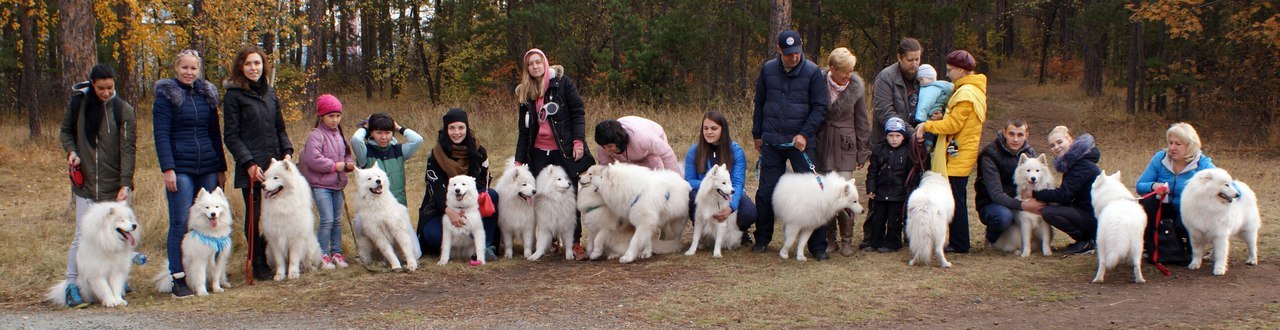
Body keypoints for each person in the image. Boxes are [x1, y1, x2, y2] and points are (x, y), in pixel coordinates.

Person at [58, 64, 137, 308]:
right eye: (101, 88)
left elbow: (128, 149)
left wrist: (125, 183)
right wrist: (71, 151)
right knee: (83, 236)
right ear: (92, 84)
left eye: (110, 87)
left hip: (115, 187)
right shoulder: (79, 105)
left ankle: (116, 282)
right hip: (87, 185)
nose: (105, 92)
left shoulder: (123, 109)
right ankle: (72, 285)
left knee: (121, 236)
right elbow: (65, 132)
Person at [751, 30, 832, 259]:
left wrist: (805, 134)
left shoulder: (813, 72)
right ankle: (763, 238)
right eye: (788, 54)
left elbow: (820, 108)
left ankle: (818, 246)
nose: (793, 57)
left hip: (801, 145)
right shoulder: (767, 70)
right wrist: (757, 134)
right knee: (766, 192)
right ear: (779, 50)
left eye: (796, 53)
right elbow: (760, 104)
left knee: (813, 194)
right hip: (773, 142)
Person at [152, 49, 226, 298]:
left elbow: (215, 134)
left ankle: (209, 277)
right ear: (176, 68)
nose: (189, 72)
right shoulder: (165, 96)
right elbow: (161, 135)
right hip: (180, 168)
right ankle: (178, 278)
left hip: (207, 166)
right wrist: (168, 168)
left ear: (199, 70)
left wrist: (221, 168)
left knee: (209, 225)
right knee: (181, 222)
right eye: (184, 67)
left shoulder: (207, 94)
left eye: (193, 68)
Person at [514, 48, 595, 258]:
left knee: (570, 193)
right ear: (527, 68)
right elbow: (524, 131)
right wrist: (518, 161)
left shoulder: (562, 84)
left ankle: (574, 242)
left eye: (538, 62)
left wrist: (578, 142)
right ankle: (549, 241)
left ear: (545, 63)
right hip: (538, 152)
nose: (534, 66)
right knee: (541, 196)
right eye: (530, 64)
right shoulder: (525, 93)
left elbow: (578, 112)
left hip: (565, 148)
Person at [223, 46, 293, 281]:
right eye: (248, 64)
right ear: (240, 68)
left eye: (257, 63)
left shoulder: (270, 93)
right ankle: (257, 262)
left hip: (275, 165)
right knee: (254, 217)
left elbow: (279, 127)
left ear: (263, 66)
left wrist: (287, 152)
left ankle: (273, 254)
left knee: (278, 214)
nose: (254, 68)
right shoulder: (233, 95)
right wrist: (248, 163)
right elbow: (231, 136)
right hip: (252, 167)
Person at [914, 50, 987, 253]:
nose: (948, 74)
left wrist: (927, 125)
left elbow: (953, 125)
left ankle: (959, 243)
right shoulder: (970, 90)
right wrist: (941, 118)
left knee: (955, 200)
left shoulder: (965, 94)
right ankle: (957, 241)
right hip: (960, 151)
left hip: (957, 155)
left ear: (961, 70)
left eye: (950, 70)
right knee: (956, 197)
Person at [418, 108, 499, 261]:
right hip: (442, 207)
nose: (457, 132)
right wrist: (451, 212)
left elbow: (484, 181)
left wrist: (469, 207)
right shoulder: (436, 155)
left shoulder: (479, 151)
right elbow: (435, 190)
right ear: (446, 129)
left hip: (471, 204)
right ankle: (464, 237)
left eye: (461, 127)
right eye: (452, 128)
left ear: (467, 128)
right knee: (433, 237)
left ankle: (486, 246)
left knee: (492, 195)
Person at [813, 47, 871, 256]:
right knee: (826, 195)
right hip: (822, 144)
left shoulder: (856, 88)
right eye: (845, 71)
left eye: (851, 70)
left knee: (846, 193)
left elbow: (862, 121)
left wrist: (863, 151)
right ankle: (830, 239)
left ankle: (847, 239)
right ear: (833, 69)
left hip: (846, 147)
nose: (849, 75)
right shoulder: (817, 82)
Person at [1135, 122, 1213, 262]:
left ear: (1190, 145)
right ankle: (1149, 246)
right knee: (1147, 203)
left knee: (1184, 222)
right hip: (1163, 207)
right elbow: (1140, 185)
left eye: (1178, 144)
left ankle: (1193, 249)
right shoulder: (1160, 158)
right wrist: (1154, 186)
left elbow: (1224, 184)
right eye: (1170, 143)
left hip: (1189, 211)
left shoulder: (1203, 164)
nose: (1172, 148)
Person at [1022, 126, 1101, 255]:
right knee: (1052, 207)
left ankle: (1086, 241)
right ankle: (1086, 240)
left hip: (1093, 217)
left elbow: (1063, 195)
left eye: (1059, 142)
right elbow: (1067, 194)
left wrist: (1034, 194)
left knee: (1049, 212)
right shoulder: (1074, 162)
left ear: (1069, 139)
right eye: (1052, 145)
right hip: (1085, 211)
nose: (1056, 147)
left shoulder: (1082, 164)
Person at [684, 111, 759, 247]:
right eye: (705, 128)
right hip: (704, 193)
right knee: (690, 197)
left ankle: (739, 231)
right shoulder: (694, 151)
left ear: (723, 130)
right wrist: (710, 185)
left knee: (749, 212)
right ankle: (702, 232)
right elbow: (688, 180)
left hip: (728, 193)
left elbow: (738, 183)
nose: (709, 132)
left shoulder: (735, 151)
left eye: (714, 128)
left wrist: (731, 208)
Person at [300, 94, 355, 270]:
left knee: (337, 220)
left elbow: (346, 152)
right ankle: (322, 253)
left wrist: (348, 164)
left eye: (338, 116)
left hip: (337, 184)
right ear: (321, 116)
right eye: (331, 116)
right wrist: (335, 166)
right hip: (321, 185)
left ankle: (336, 252)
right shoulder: (316, 135)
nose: (335, 120)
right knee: (327, 219)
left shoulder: (339, 133)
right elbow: (313, 159)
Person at [974, 119, 1035, 247]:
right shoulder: (990, 154)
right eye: (1011, 134)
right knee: (1003, 217)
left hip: (1019, 199)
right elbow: (996, 194)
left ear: (1026, 135)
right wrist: (1023, 205)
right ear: (1004, 133)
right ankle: (991, 239)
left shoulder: (1029, 153)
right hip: (991, 203)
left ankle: (1038, 242)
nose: (1015, 139)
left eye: (1020, 135)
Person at [351, 112, 424, 206]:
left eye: (388, 132)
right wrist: (365, 127)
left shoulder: (399, 151)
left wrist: (399, 128)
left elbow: (417, 140)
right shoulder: (364, 153)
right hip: (373, 207)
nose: (384, 137)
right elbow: (355, 139)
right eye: (379, 133)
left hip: (398, 205)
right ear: (371, 133)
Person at [864, 117, 913, 253]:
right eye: (891, 135)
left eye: (898, 135)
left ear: (903, 137)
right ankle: (875, 242)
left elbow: (910, 175)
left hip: (898, 194)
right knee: (877, 219)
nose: (894, 139)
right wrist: (871, 188)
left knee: (895, 220)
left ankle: (892, 243)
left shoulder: (907, 152)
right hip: (880, 192)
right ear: (886, 136)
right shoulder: (879, 150)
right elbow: (872, 172)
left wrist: (908, 192)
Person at [872, 37, 923, 146]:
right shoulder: (885, 78)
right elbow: (885, 112)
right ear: (899, 57)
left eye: (917, 59)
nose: (914, 64)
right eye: (910, 60)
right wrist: (912, 133)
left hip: (917, 143)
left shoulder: (924, 77)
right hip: (888, 144)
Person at [595, 116, 680, 172]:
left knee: (655, 170)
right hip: (629, 152)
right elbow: (605, 167)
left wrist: (675, 180)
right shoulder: (604, 141)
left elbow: (667, 154)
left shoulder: (643, 138)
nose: (606, 150)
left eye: (609, 146)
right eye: (603, 147)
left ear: (618, 140)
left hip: (650, 147)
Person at [912, 64, 955, 154]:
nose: (920, 82)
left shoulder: (929, 90)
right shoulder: (941, 87)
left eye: (921, 79)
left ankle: (928, 148)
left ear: (929, 77)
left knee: (929, 133)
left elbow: (924, 105)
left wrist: (920, 119)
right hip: (940, 117)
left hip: (930, 117)